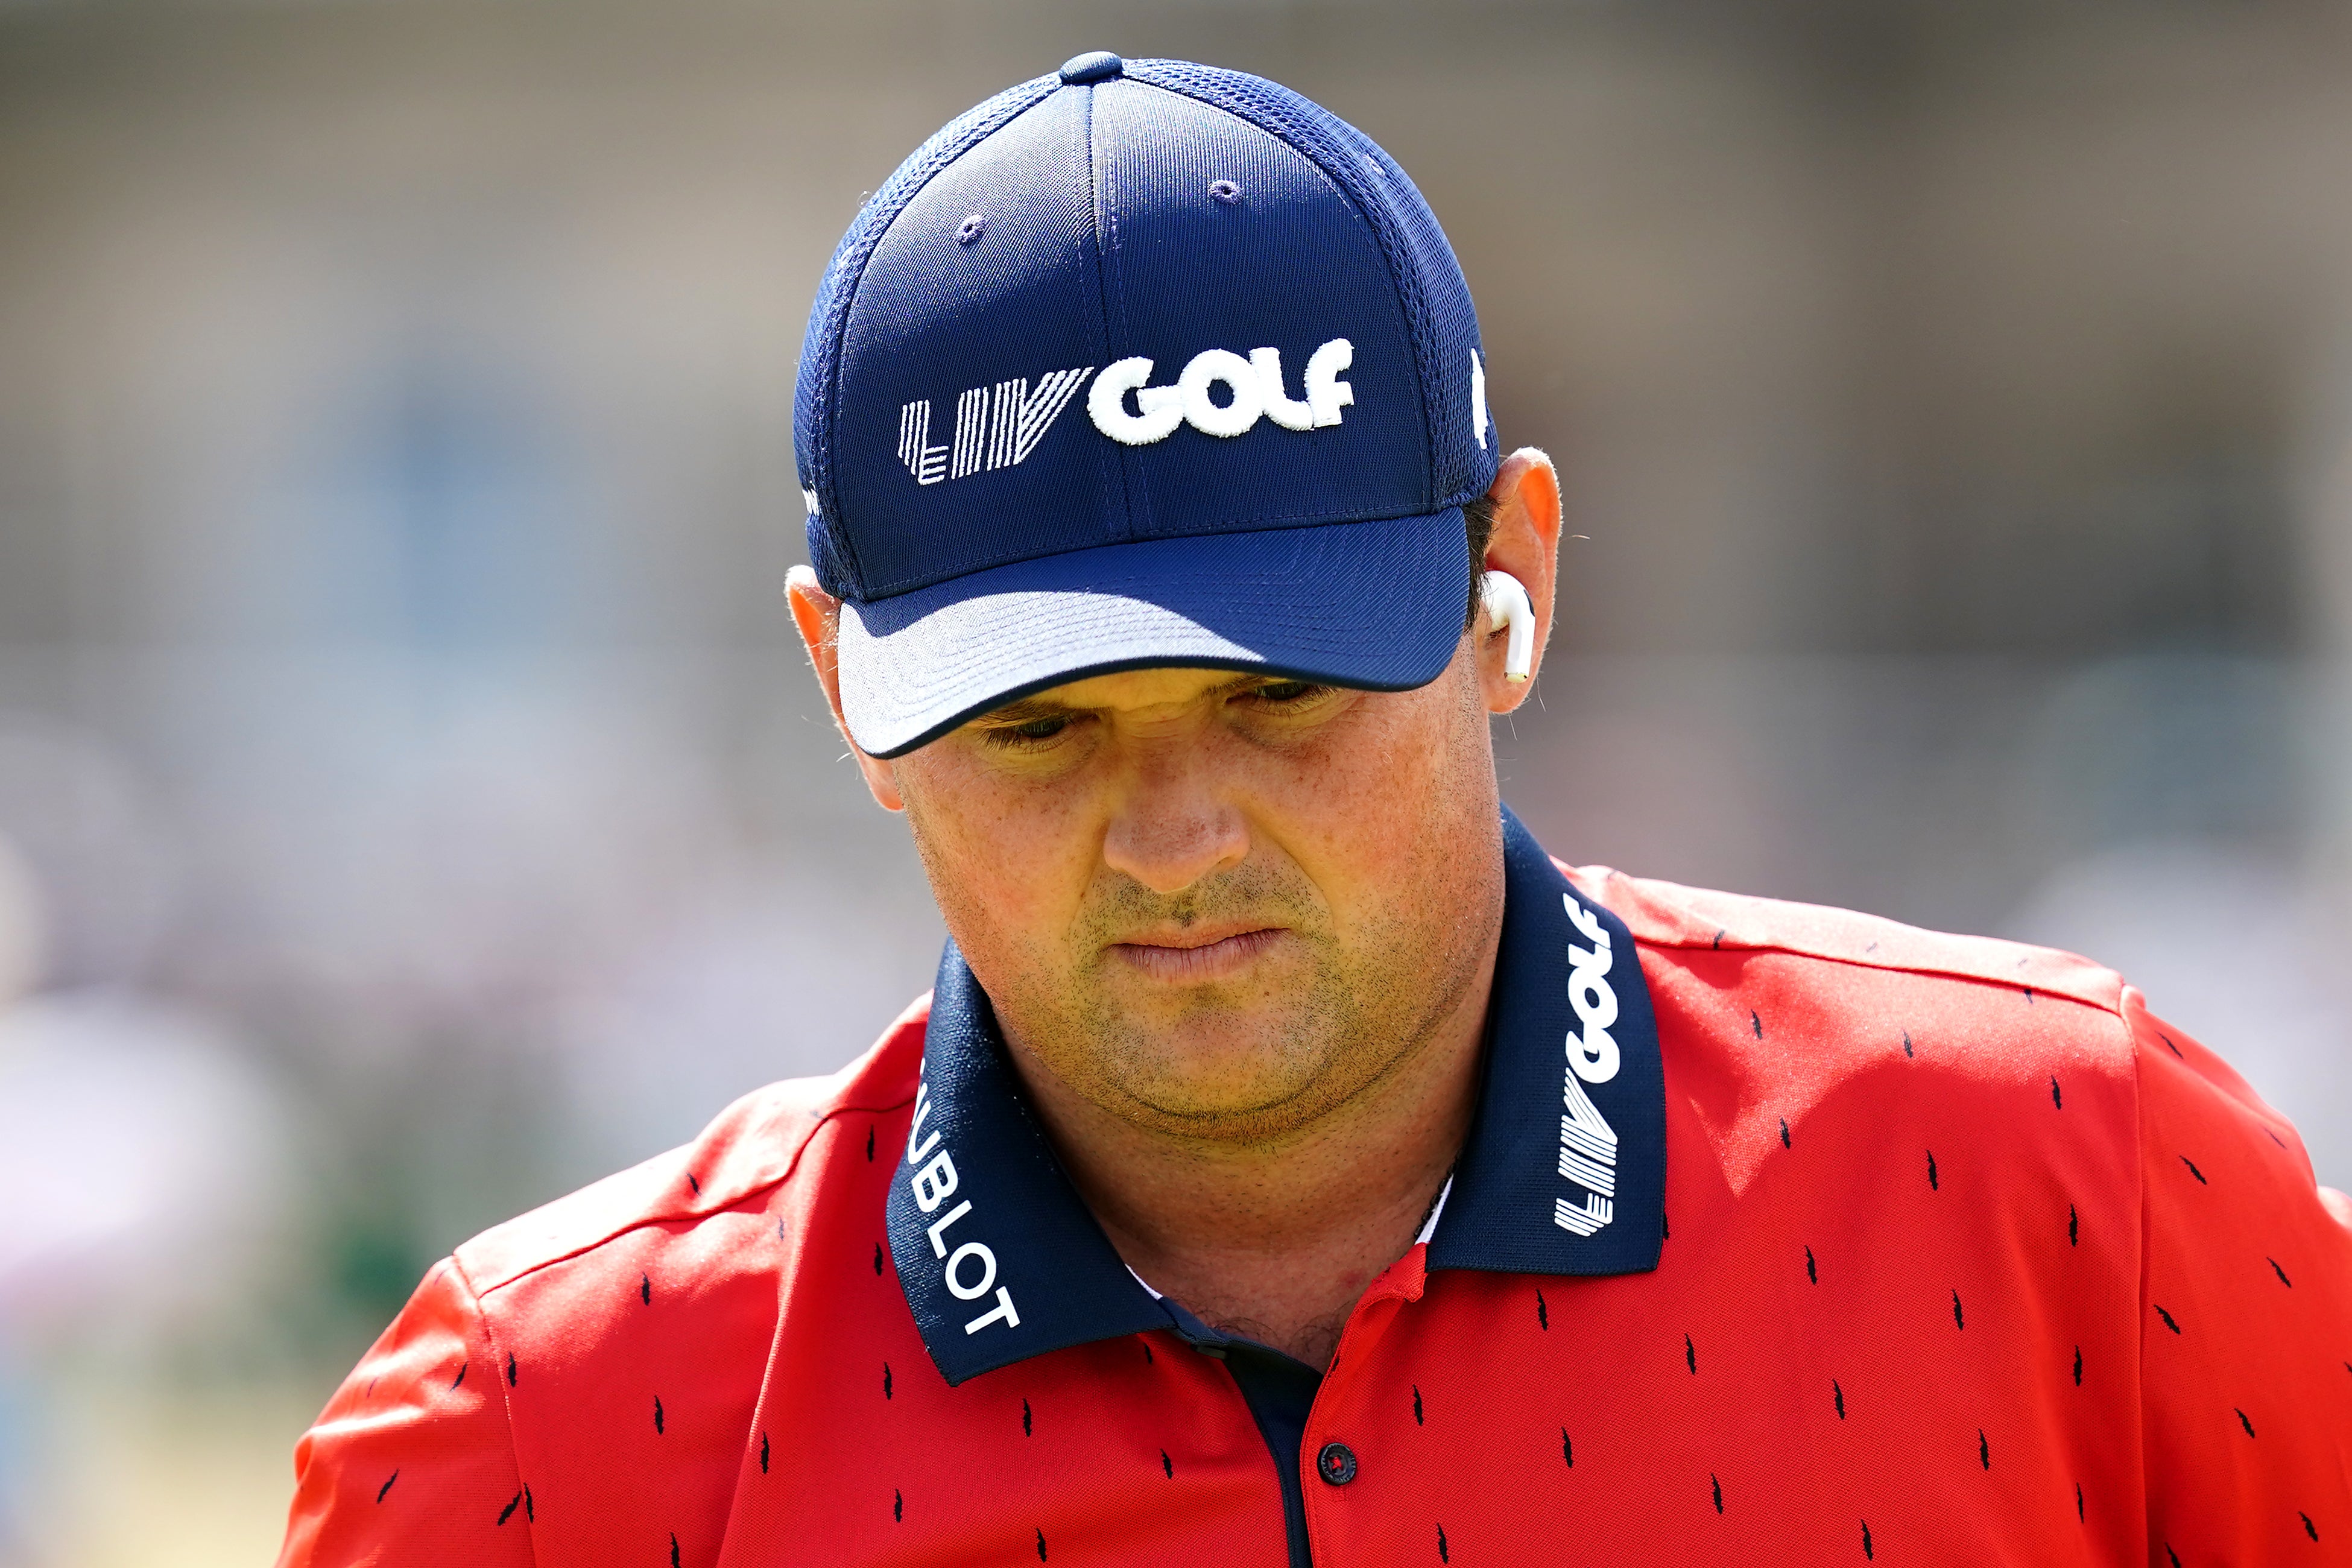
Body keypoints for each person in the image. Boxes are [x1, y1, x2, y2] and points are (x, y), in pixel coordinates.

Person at [277, 52, 2352, 1567]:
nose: (1175, 836)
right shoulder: (544, 1424)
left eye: (1283, 696)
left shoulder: (2072, 1167)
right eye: (1036, 732)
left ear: (1505, 582)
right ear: (842, 681)